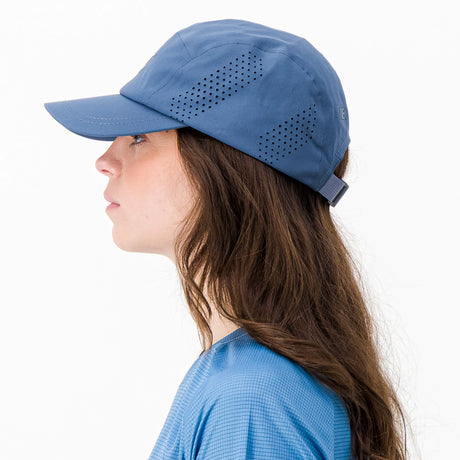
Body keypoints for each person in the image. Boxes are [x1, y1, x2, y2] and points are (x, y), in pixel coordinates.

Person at [44, 18, 409, 460]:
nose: (105, 160)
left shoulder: (252, 399)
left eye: (140, 137)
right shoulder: (245, 377)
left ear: (226, 166)